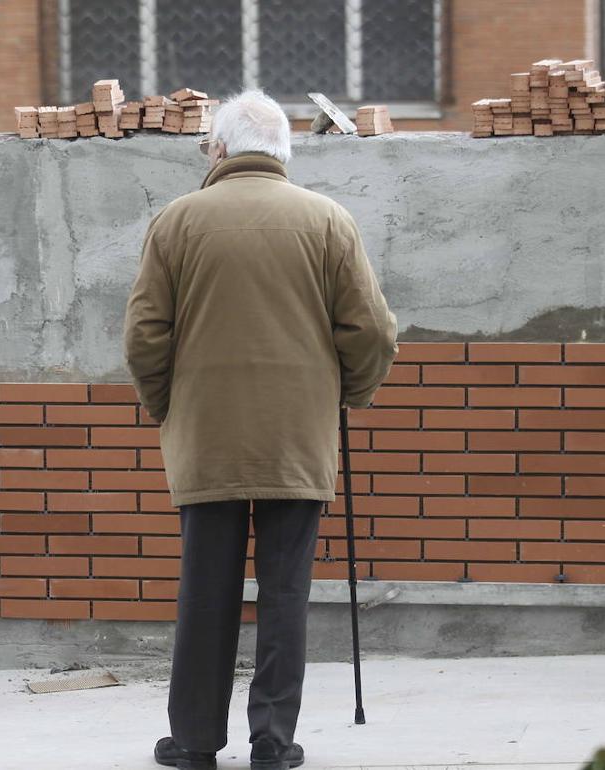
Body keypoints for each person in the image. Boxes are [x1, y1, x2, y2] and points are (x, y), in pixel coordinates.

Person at [124, 91, 397, 770]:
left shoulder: (177, 221)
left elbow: (144, 337)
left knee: (205, 591)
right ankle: (273, 742)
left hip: (206, 439)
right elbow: (373, 332)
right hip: (297, 439)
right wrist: (345, 397)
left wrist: (166, 408)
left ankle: (193, 743)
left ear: (218, 148)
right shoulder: (328, 221)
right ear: (283, 153)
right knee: (284, 594)